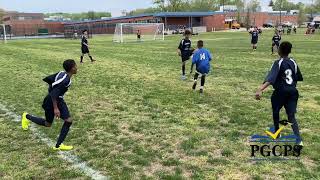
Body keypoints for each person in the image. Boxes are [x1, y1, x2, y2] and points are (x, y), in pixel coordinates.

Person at [255, 41, 304, 148]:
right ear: (290, 51)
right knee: (291, 116)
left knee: (276, 111)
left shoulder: (278, 62)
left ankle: (277, 133)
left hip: (280, 92)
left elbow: (271, 78)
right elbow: (299, 77)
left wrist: (260, 89)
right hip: (292, 92)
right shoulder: (293, 62)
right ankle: (298, 140)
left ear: (279, 50)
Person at [21, 60, 78, 151]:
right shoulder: (65, 80)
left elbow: (50, 80)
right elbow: (53, 94)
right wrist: (56, 108)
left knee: (68, 120)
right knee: (48, 124)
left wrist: (52, 89)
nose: (76, 68)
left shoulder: (62, 73)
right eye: (75, 66)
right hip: (51, 101)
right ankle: (26, 117)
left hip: (58, 99)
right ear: (71, 69)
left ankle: (58, 145)